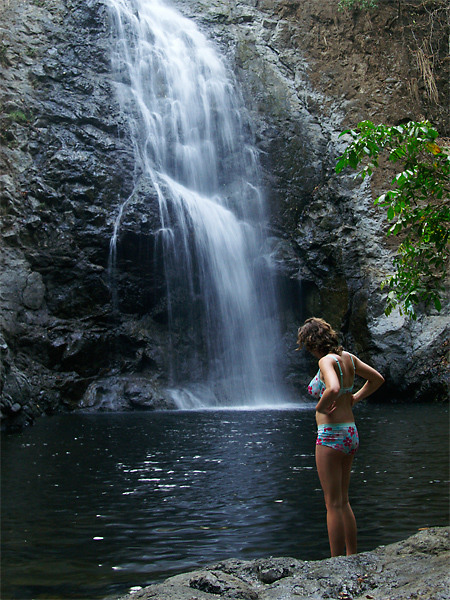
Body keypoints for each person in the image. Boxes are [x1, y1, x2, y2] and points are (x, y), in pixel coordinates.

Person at [297, 317, 385, 557]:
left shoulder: (326, 361)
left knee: (332, 504)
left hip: (331, 436)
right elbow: (377, 379)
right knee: (343, 501)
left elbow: (333, 388)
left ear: (312, 343)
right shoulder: (349, 359)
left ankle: (336, 563)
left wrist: (321, 408)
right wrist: (355, 397)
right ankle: (352, 555)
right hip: (350, 433)